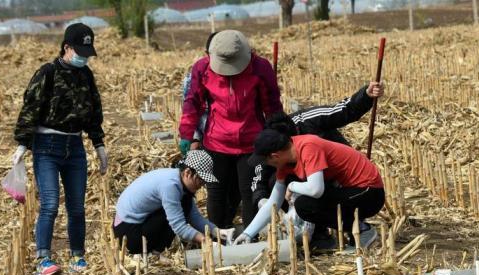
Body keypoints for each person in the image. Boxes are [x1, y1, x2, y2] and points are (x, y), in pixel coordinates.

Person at [11, 23, 108, 275]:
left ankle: (78, 255)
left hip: (75, 147)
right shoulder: (47, 73)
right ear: (66, 47)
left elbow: (94, 111)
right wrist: (23, 143)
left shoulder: (86, 75)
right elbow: (31, 107)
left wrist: (98, 144)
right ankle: (43, 258)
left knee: (77, 206)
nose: (84, 57)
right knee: (51, 204)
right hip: (47, 147)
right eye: (80, 51)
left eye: (87, 52)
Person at [179, 30, 282, 230]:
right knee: (216, 191)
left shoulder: (260, 68)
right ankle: (218, 236)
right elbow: (193, 103)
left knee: (249, 191)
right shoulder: (202, 68)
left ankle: (251, 235)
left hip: (251, 143)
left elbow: (272, 105)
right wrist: (187, 134)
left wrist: (277, 134)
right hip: (216, 142)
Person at [235, 130, 385, 249]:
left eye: (266, 161)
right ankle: (355, 229)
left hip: (369, 193)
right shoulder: (285, 164)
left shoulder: (308, 146)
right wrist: (248, 233)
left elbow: (316, 190)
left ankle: (362, 229)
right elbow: (273, 204)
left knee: (305, 204)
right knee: (305, 205)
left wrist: (291, 186)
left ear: (275, 156)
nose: (268, 165)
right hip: (348, 191)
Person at [251, 82, 384, 210]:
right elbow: (261, 169)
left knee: (310, 200)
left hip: (334, 176)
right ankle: (304, 227)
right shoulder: (269, 143)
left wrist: (366, 96)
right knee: (276, 181)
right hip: (307, 180)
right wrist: (261, 198)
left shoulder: (309, 124)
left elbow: (343, 111)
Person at [114, 150, 235, 254]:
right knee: (178, 211)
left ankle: (155, 249)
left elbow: (194, 216)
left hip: (131, 226)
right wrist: (205, 240)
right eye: (200, 180)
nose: (201, 185)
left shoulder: (177, 181)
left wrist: (216, 231)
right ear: (188, 173)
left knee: (185, 204)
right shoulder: (170, 186)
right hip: (128, 234)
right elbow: (179, 226)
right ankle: (154, 251)